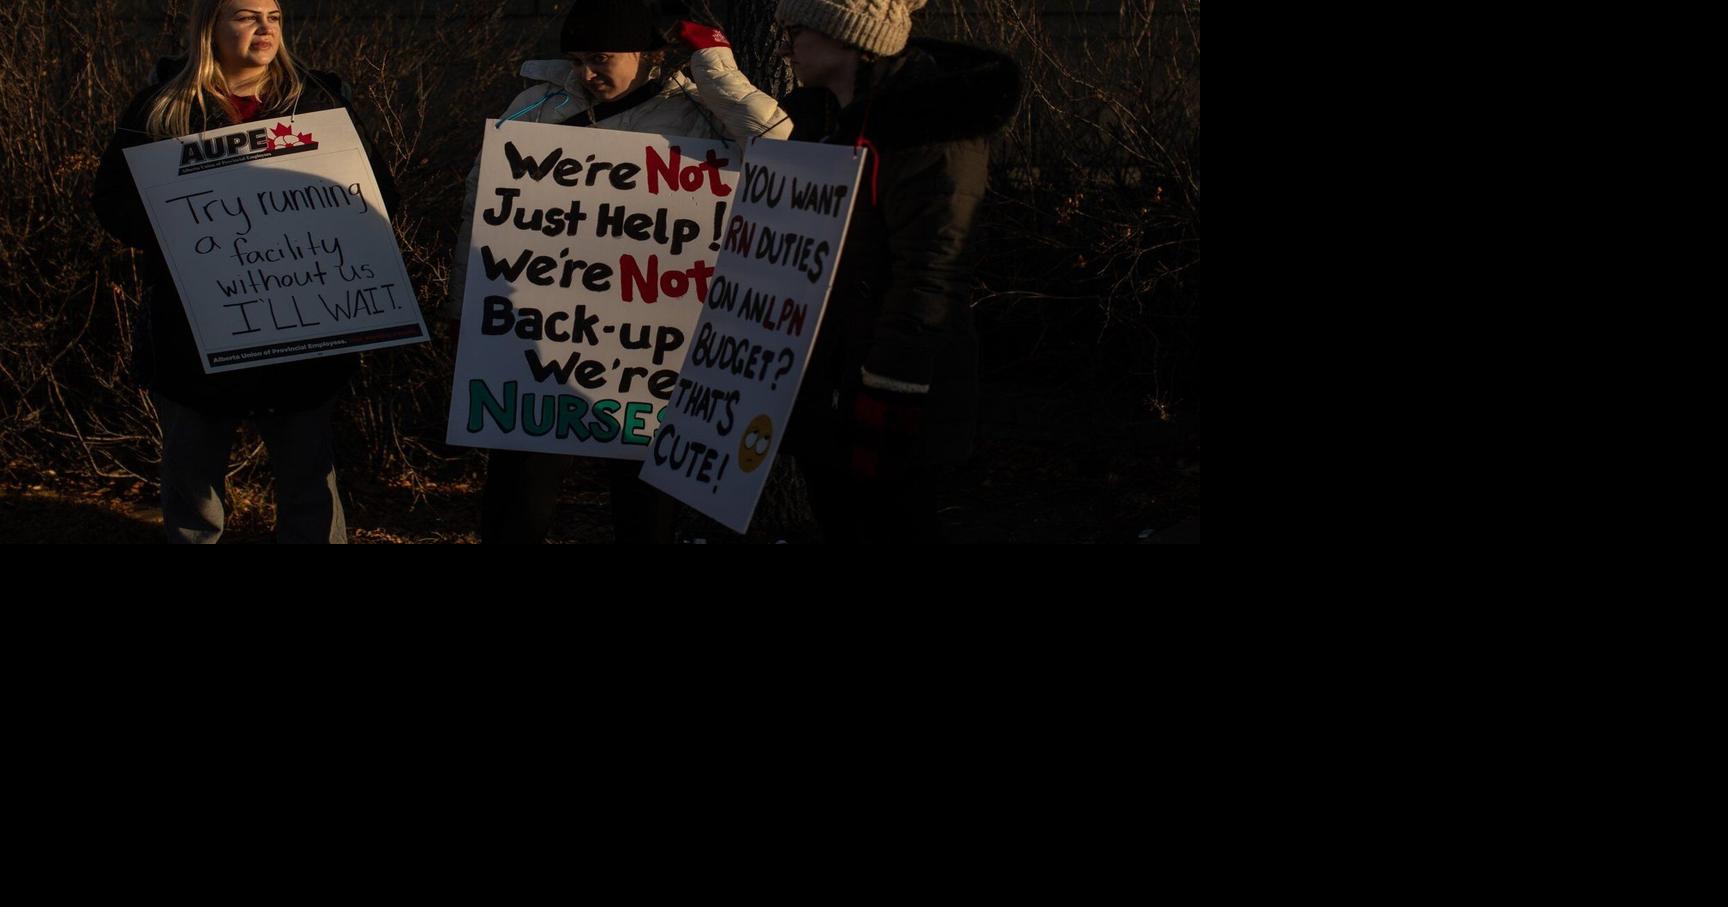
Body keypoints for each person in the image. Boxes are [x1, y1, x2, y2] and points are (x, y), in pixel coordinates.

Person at [449, 0, 794, 543]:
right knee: (520, 491)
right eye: (578, 58)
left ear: (645, 54)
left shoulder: (698, 109)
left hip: (653, 345)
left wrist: (717, 68)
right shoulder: (538, 106)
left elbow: (781, 147)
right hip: (540, 335)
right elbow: (484, 200)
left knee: (646, 502)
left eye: (602, 58)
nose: (587, 73)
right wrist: (467, 302)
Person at [93, 0, 401, 544]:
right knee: (193, 480)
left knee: (309, 477)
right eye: (246, 15)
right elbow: (111, 203)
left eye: (275, 16)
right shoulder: (162, 108)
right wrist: (180, 229)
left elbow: (378, 197)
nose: (265, 29)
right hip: (194, 328)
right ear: (209, 26)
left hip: (303, 324)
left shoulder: (317, 102)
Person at [772, 0, 1021, 542]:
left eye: (794, 30)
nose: (785, 46)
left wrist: (887, 391)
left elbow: (930, 275)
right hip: (824, 382)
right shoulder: (815, 122)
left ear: (846, 37)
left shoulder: (931, 132)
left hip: (888, 387)